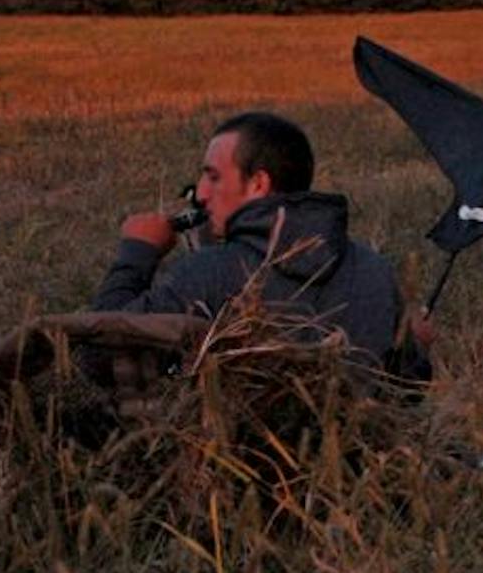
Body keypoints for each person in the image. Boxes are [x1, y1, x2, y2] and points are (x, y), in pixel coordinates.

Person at [92, 111, 432, 388]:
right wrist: (417, 350)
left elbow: (101, 359)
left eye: (213, 177)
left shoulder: (208, 273)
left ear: (258, 184)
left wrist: (137, 253)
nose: (202, 193)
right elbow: (405, 394)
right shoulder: (376, 270)